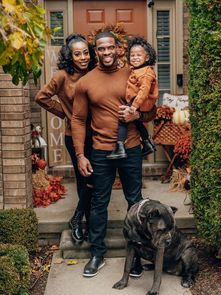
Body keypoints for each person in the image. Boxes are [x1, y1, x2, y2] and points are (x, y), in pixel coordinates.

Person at [71, 31, 157, 277]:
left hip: (130, 149)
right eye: (101, 49)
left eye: (110, 48)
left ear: (118, 48)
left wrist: (137, 116)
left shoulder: (134, 73)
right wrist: (80, 155)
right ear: (95, 51)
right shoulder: (86, 82)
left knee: (135, 202)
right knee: (99, 202)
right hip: (100, 151)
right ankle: (97, 254)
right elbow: (78, 119)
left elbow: (152, 109)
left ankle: (137, 257)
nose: (106, 53)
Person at [35, 33, 96, 244]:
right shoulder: (62, 76)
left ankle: (79, 219)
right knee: (84, 180)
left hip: (98, 135)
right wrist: (64, 113)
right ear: (70, 57)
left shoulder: (95, 72)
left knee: (96, 180)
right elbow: (41, 97)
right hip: (75, 135)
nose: (82, 58)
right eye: (77, 54)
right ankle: (84, 222)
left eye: (85, 53)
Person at [107, 36, 158, 160]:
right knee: (136, 122)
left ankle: (120, 147)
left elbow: (144, 91)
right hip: (140, 102)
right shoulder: (138, 69)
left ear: (147, 58)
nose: (134, 58)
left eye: (138, 56)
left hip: (141, 102)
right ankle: (147, 143)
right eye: (132, 55)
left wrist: (134, 106)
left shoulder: (146, 72)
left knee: (123, 118)